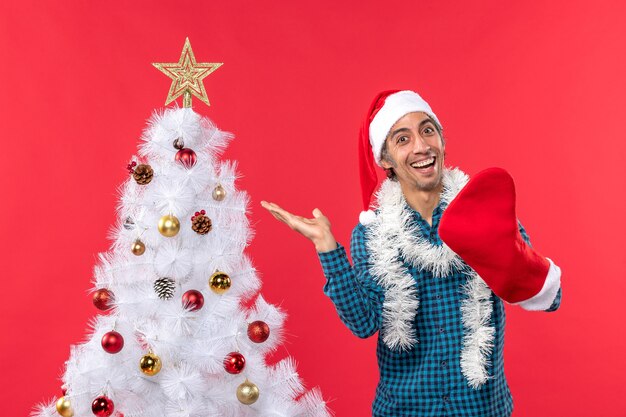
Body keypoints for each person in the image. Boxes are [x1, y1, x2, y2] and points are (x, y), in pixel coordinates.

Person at [261, 90, 562, 417]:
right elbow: (364, 323)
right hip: (404, 409)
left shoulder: (487, 212)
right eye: (402, 139)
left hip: (482, 409)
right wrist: (327, 248)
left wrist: (499, 249)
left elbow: (549, 296)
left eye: (428, 130)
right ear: (385, 159)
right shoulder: (372, 234)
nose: (421, 146)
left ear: (442, 142)